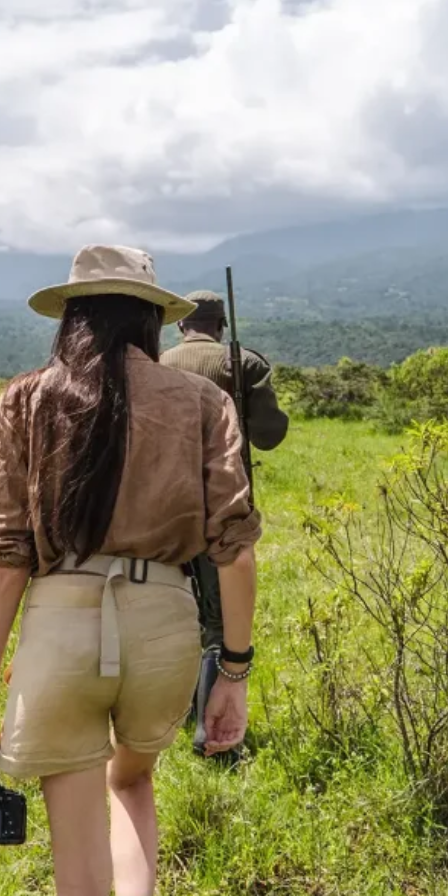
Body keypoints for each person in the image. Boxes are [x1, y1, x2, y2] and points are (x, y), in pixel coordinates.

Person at [0, 246, 260, 896]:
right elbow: (234, 546)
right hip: (164, 626)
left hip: (59, 629)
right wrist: (232, 672)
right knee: (132, 780)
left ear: (72, 316)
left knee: (72, 885)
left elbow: (3, 559)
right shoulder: (201, 401)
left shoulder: (23, 402)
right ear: (149, 319)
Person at [161, 289, 288, 753]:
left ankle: (169, 718)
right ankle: (209, 735)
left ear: (180, 326)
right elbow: (271, 434)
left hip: (163, 508)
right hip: (224, 508)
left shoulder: (158, 363)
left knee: (177, 611)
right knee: (219, 623)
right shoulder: (244, 364)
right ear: (222, 326)